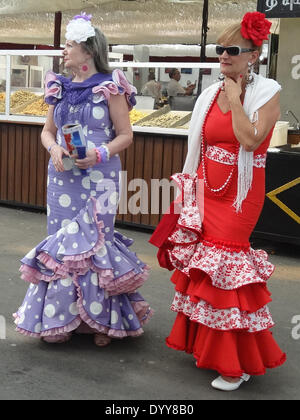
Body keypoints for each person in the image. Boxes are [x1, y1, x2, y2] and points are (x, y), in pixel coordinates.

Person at [150, 12, 286, 391]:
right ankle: (207, 346)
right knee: (205, 271)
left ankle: (235, 363)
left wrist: (234, 98)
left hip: (240, 197)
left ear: (252, 56)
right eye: (219, 50)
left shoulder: (267, 91)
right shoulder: (208, 95)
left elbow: (251, 140)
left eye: (232, 51)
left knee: (226, 269)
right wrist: (187, 195)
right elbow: (200, 145)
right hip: (206, 191)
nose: (223, 57)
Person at [13, 13, 153, 346]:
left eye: (70, 45)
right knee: (62, 243)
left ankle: (101, 322)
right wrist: (54, 150)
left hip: (100, 176)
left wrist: (99, 154)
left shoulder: (111, 85)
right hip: (62, 179)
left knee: (96, 243)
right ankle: (62, 319)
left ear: (88, 50)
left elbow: (125, 135)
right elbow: (47, 132)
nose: (64, 51)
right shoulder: (58, 86)